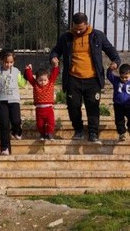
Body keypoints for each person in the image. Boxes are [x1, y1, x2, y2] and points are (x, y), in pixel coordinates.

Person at [50, 12, 121, 144]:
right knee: (73, 106)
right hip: (73, 78)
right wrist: (53, 57)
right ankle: (78, 130)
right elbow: (56, 50)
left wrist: (116, 61)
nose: (78, 30)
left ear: (87, 25)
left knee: (93, 106)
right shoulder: (66, 37)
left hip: (93, 78)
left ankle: (93, 133)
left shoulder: (97, 36)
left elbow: (111, 50)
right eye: (75, 28)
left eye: (81, 28)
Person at [24, 63, 59, 140]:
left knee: (51, 123)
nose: (43, 82)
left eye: (45, 80)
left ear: (48, 79)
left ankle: (49, 134)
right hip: (39, 110)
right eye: (40, 80)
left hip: (49, 109)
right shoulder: (35, 84)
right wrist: (28, 70)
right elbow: (30, 78)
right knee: (40, 124)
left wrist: (55, 67)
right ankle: (42, 134)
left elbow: (54, 74)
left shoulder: (50, 83)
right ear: (37, 80)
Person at [106, 63, 130, 141]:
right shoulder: (116, 80)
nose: (124, 79)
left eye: (126, 77)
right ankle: (122, 133)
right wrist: (110, 69)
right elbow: (109, 75)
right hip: (118, 105)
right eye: (122, 77)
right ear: (119, 75)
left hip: (128, 105)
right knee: (119, 120)